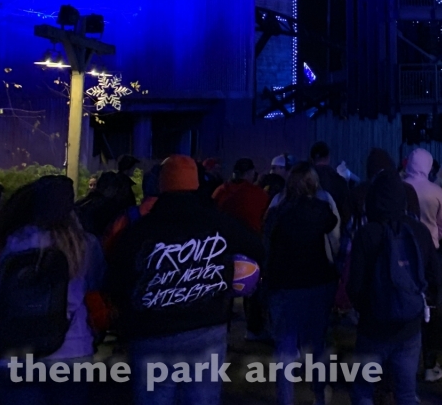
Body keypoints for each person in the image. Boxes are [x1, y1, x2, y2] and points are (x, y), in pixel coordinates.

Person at [106, 154, 264, 405]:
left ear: (161, 185)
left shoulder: (138, 231)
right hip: (207, 329)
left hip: (151, 333)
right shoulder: (218, 222)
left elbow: (115, 278)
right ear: (197, 184)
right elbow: (258, 249)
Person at [0, 176, 105, 405]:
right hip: (72, 351)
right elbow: (96, 287)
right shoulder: (86, 245)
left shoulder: (11, 241)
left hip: (14, 353)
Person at [347, 172, 440, 405]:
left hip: (373, 327)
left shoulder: (367, 233)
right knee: (406, 393)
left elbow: (354, 285)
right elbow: (435, 277)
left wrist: (366, 310)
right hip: (409, 326)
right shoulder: (420, 231)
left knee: (363, 391)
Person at [263, 162, 340, 405]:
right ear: (313, 183)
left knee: (285, 346)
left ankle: (285, 399)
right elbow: (333, 238)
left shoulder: (277, 212)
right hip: (318, 281)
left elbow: (266, 246)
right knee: (317, 343)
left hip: (284, 285)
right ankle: (320, 395)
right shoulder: (322, 209)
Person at [402, 148, 442, 382]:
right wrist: (433, 239)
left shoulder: (401, 187)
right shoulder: (435, 191)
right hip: (431, 253)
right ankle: (430, 363)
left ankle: (404, 364)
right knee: (432, 307)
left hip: (402, 254)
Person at [212, 158, 269, 234]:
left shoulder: (220, 190)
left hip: (223, 237)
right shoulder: (258, 193)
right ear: (250, 172)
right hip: (249, 239)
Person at [311, 141, 351, 231]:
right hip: (334, 232)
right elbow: (346, 212)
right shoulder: (340, 181)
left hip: (308, 233)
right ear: (328, 157)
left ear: (312, 159)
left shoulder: (303, 180)